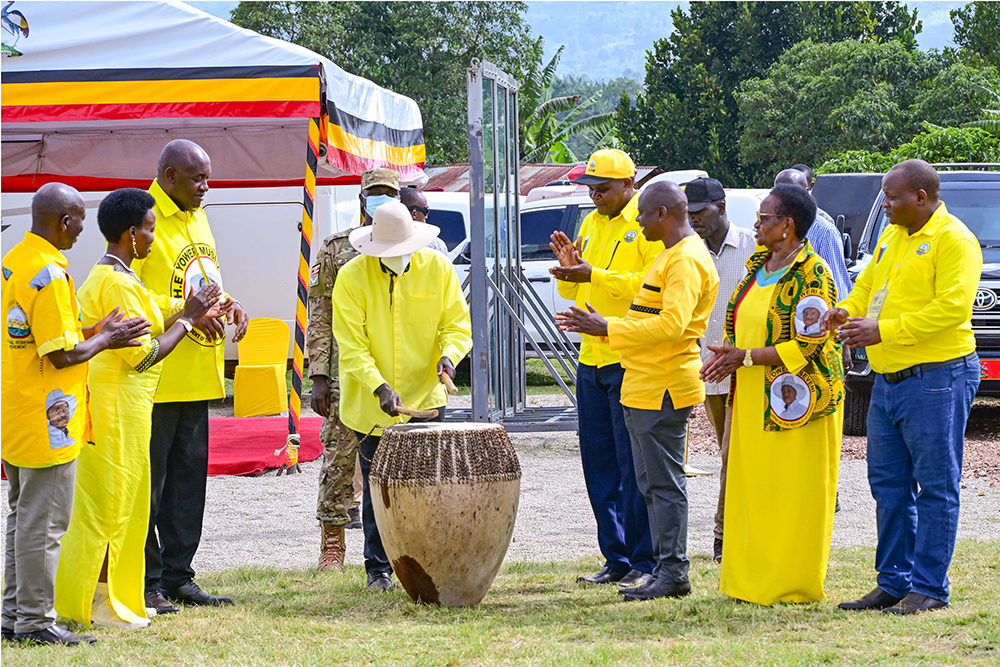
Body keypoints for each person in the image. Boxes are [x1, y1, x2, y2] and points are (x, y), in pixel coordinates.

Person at [55, 188, 221, 630]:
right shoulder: (112, 281)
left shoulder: (126, 277)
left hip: (131, 409)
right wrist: (187, 320)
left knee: (129, 505)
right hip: (110, 411)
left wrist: (192, 309)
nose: (153, 237)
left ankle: (122, 595)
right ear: (131, 234)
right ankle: (93, 601)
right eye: (149, 229)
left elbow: (152, 311)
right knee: (106, 507)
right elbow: (144, 354)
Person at [828, 159, 981, 615]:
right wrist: (847, 311)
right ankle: (894, 581)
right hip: (889, 380)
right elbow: (868, 285)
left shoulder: (954, 240)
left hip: (937, 375)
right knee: (888, 484)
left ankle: (930, 588)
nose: (886, 205)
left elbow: (953, 309)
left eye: (892, 197)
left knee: (936, 486)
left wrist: (884, 331)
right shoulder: (894, 235)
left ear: (921, 196)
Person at [556, 181, 719, 601]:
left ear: (663, 214)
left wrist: (607, 328)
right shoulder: (670, 255)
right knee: (650, 485)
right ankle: (661, 569)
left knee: (664, 486)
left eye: (644, 213)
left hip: (664, 385)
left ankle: (673, 572)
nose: (639, 220)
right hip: (643, 383)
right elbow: (649, 316)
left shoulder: (685, 260)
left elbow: (673, 325)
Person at [2, 183, 149, 646]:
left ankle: (14, 613)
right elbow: (63, 356)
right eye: (80, 222)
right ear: (64, 222)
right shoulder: (50, 273)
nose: (83, 231)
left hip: (18, 410)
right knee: (44, 524)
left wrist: (95, 329)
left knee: (22, 517)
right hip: (50, 417)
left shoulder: (17, 261)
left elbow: (44, 335)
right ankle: (34, 621)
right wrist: (108, 340)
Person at [701, 184, 845, 605]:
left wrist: (743, 356)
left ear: (788, 225)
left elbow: (809, 342)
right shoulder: (758, 263)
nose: (757, 224)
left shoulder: (812, 272)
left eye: (764, 218)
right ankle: (749, 578)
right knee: (753, 486)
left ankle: (789, 583)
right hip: (750, 392)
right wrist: (732, 358)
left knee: (791, 492)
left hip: (797, 400)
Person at [332, 201, 471, 591]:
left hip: (425, 398)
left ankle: (426, 561)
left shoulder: (438, 269)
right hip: (371, 404)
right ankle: (378, 569)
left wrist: (449, 358)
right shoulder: (352, 276)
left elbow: (457, 324)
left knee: (428, 486)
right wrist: (379, 386)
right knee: (381, 490)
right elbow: (352, 344)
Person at [138, 140, 249, 614]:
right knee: (152, 486)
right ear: (168, 176)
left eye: (208, 177)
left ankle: (181, 577)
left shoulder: (196, 213)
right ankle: (147, 582)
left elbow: (202, 280)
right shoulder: (143, 220)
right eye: (197, 178)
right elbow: (130, 297)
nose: (207, 187)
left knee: (188, 484)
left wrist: (228, 302)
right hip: (158, 377)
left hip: (199, 373)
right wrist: (182, 314)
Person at [548, 149, 662, 589]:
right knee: (598, 462)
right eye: (590, 189)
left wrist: (592, 274)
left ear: (628, 185)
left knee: (632, 464)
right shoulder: (592, 222)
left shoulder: (647, 223)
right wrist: (570, 270)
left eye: (602, 189)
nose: (594, 197)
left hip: (627, 355)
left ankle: (644, 559)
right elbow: (575, 279)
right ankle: (614, 557)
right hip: (591, 356)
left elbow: (648, 285)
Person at [308, 168, 402, 572]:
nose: (379, 199)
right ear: (361, 199)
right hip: (345, 372)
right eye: (374, 193)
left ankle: (393, 545)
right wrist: (318, 377)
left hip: (393, 369)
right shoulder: (335, 248)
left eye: (388, 194)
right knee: (339, 457)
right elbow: (320, 315)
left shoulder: (407, 242)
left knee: (393, 461)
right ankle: (333, 543)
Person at [686, 177, 756, 564]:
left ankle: (723, 534)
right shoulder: (688, 253)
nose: (694, 220)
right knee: (731, 453)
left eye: (701, 213)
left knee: (732, 454)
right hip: (705, 373)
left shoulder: (752, 247)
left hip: (745, 367)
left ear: (722, 208)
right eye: (689, 214)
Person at [774, 168, 852, 301]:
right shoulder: (767, 228)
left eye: (793, 192)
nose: (785, 198)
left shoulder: (824, 232)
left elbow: (836, 286)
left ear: (807, 190)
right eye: (779, 192)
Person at [400, 187, 449, 256]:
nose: (426, 216)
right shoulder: (434, 245)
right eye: (426, 210)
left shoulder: (382, 242)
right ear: (414, 214)